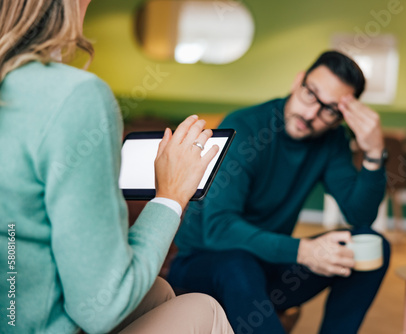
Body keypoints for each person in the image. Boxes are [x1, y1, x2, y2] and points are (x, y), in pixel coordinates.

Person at [0, 1, 234, 333]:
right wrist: (169, 198)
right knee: (204, 308)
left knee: (158, 292)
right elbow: (101, 309)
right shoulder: (75, 95)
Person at [168, 51, 391, 334]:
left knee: (369, 244)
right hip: (204, 263)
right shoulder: (245, 127)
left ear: (341, 117)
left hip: (267, 266)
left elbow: (360, 215)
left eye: (329, 110)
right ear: (299, 81)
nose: (311, 114)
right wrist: (303, 251)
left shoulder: (332, 141)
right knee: (238, 263)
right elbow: (219, 229)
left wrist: (373, 153)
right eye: (310, 94)